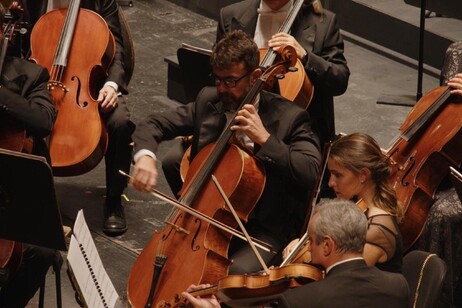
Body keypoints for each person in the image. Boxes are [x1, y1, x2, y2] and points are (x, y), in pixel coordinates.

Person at [131, 30, 321, 274]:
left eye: (230, 81)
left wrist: (264, 138)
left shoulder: (290, 117)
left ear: (254, 77)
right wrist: (145, 156)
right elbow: (154, 124)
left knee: (232, 275)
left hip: (262, 230)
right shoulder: (209, 101)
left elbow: (310, 170)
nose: (222, 89)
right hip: (211, 218)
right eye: (217, 80)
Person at [162, 0, 349, 196]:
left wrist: (305, 55)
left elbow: (340, 79)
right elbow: (221, 71)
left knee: (275, 183)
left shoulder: (323, 22)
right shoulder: (232, 14)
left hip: (291, 129)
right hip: (238, 113)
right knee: (173, 161)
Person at [19, 0, 136, 236]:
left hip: (89, 83)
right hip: (42, 81)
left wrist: (112, 86)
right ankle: (25, 195)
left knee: (121, 121)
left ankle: (113, 201)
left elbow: (118, 50)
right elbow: (23, 49)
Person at [182, 199, 410, 308]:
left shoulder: (299, 301)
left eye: (311, 240)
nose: (308, 248)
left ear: (328, 246)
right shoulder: (398, 285)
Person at [0, 4, 59, 306]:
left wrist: (2, 95)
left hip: (12, 198)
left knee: (43, 252)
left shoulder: (31, 74)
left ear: (2, 33)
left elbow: (44, 120)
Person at [284, 132, 405, 273]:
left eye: (338, 175)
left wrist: (311, 249)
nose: (330, 183)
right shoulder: (358, 208)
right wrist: (303, 244)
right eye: (330, 174)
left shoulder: (377, 229)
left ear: (363, 175)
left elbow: (345, 280)